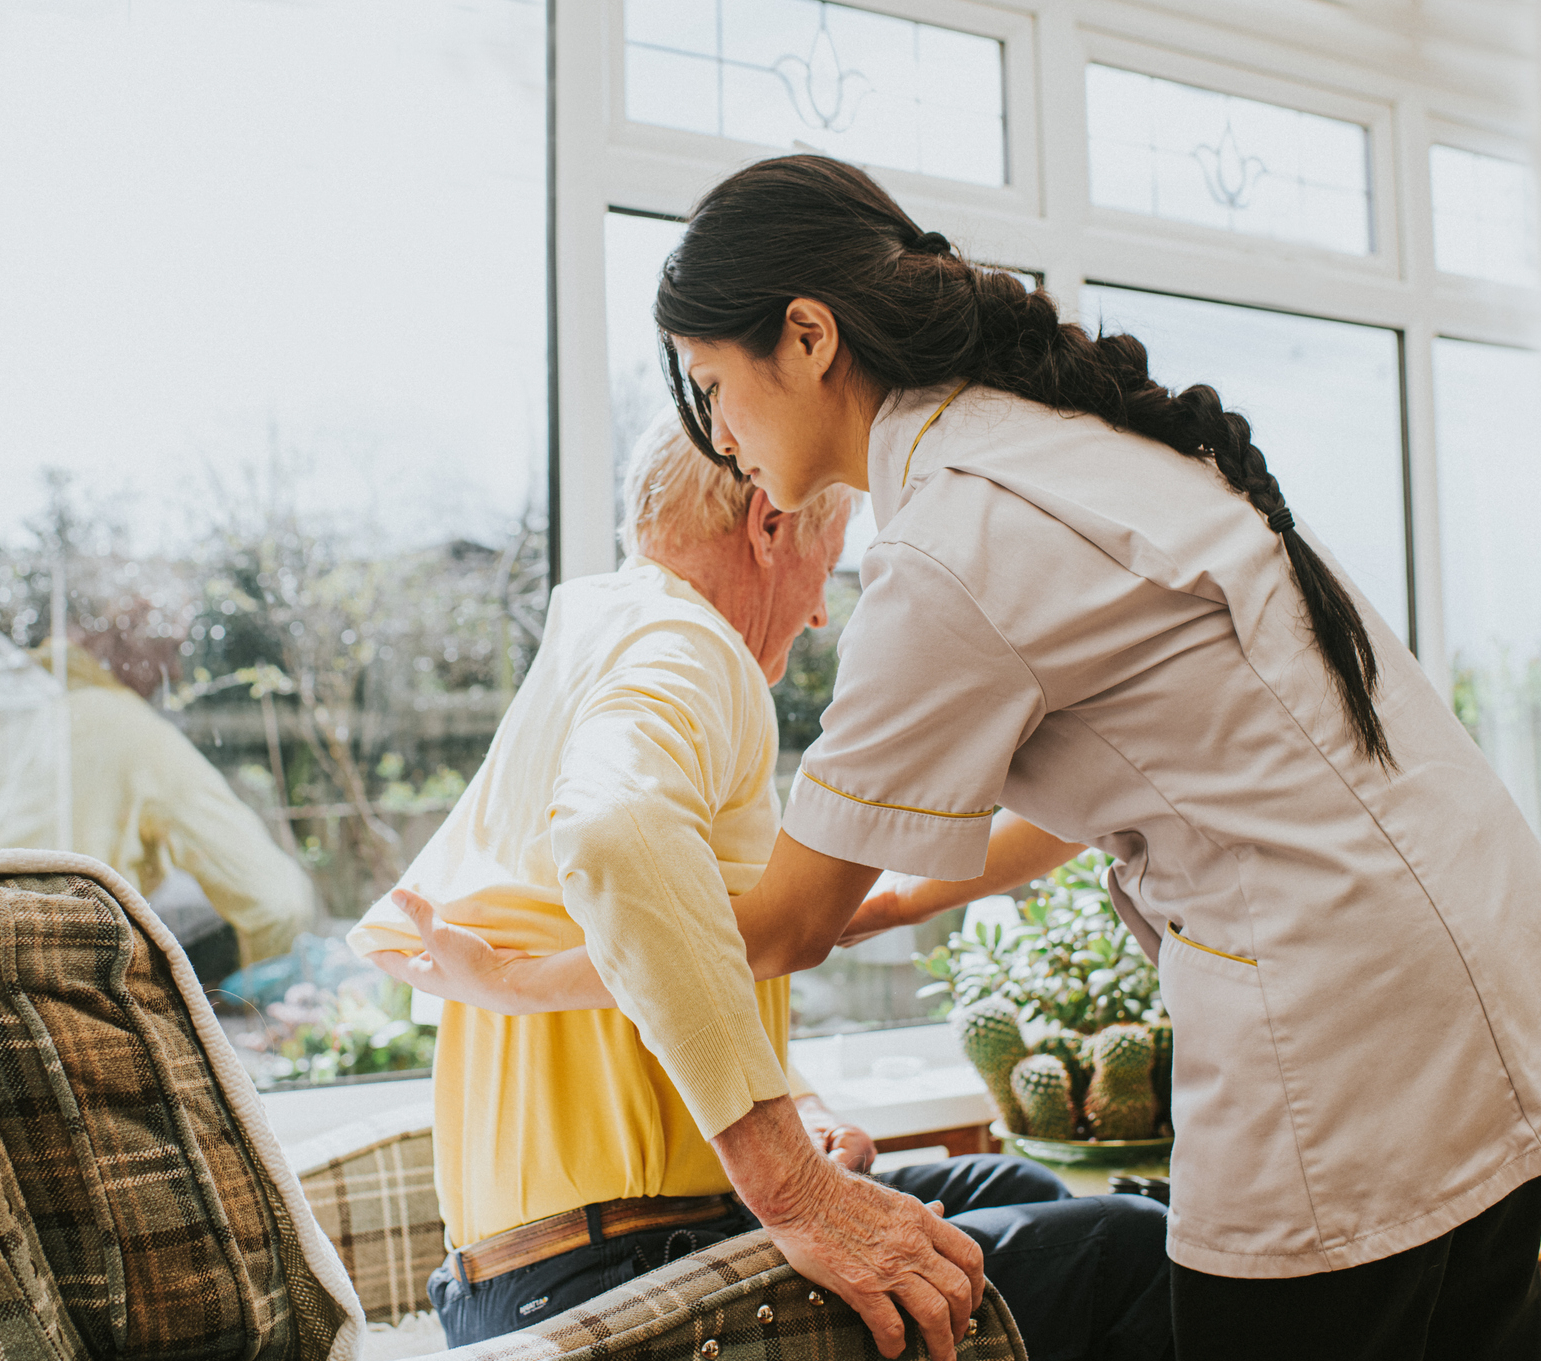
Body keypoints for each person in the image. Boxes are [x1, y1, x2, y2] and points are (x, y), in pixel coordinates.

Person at [404, 154, 1541, 1360]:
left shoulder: (947, 540)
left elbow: (778, 920)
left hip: (1341, 1030)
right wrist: (887, 900)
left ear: (808, 337)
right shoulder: (1053, 448)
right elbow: (1131, 786)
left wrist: (517, 979)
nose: (722, 435)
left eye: (714, 384)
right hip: (1482, 963)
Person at [351, 417, 1170, 1360]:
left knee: (1013, 1188)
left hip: (529, 1272)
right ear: (768, 523)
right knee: (1132, 1248)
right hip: (611, 1275)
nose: (822, 611)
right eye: (831, 557)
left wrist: (799, 1102)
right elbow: (616, 832)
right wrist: (793, 1185)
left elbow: (724, 931)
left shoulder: (603, 636)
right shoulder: (685, 644)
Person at [0, 606, 316, 966]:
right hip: (40, 977)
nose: (175, 672)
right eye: (171, 649)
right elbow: (280, 906)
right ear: (127, 636)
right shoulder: (132, 731)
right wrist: (256, 991)